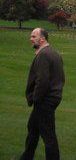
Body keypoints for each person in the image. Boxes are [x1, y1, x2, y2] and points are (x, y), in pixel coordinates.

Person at [20, 27, 65, 160]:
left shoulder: (44, 54)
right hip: (49, 99)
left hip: (45, 100)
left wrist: (35, 98)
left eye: (33, 36)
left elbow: (42, 80)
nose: (31, 39)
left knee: (48, 135)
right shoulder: (54, 53)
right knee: (33, 128)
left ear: (42, 38)